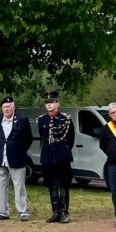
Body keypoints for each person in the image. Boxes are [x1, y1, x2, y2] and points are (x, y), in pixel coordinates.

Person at [0, 96, 32, 221]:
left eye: (8, 106)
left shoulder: (22, 120)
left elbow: (28, 138)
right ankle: (3, 211)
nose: (6, 109)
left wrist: (20, 150)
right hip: (0, 158)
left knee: (19, 185)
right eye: (4, 107)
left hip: (17, 158)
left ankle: (22, 210)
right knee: (0, 185)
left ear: (13, 107)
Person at [38, 91, 75, 223]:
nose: (49, 105)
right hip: (48, 156)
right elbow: (43, 137)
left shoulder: (66, 119)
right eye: (47, 103)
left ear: (57, 103)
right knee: (51, 185)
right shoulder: (42, 119)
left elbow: (70, 139)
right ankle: (56, 212)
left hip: (62, 156)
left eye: (51, 102)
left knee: (63, 184)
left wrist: (62, 150)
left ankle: (64, 212)